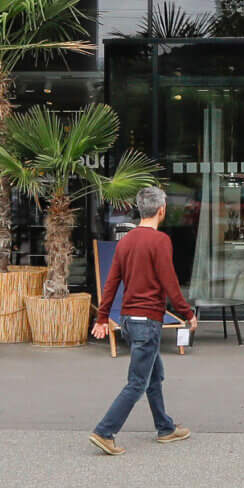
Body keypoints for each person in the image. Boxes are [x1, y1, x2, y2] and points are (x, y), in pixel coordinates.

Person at [86, 185, 195, 455]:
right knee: (137, 382)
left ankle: (165, 428)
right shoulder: (160, 241)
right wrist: (187, 313)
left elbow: (112, 282)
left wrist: (102, 317)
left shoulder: (125, 242)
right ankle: (104, 431)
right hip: (147, 320)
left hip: (128, 320)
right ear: (162, 210)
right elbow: (170, 282)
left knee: (153, 375)